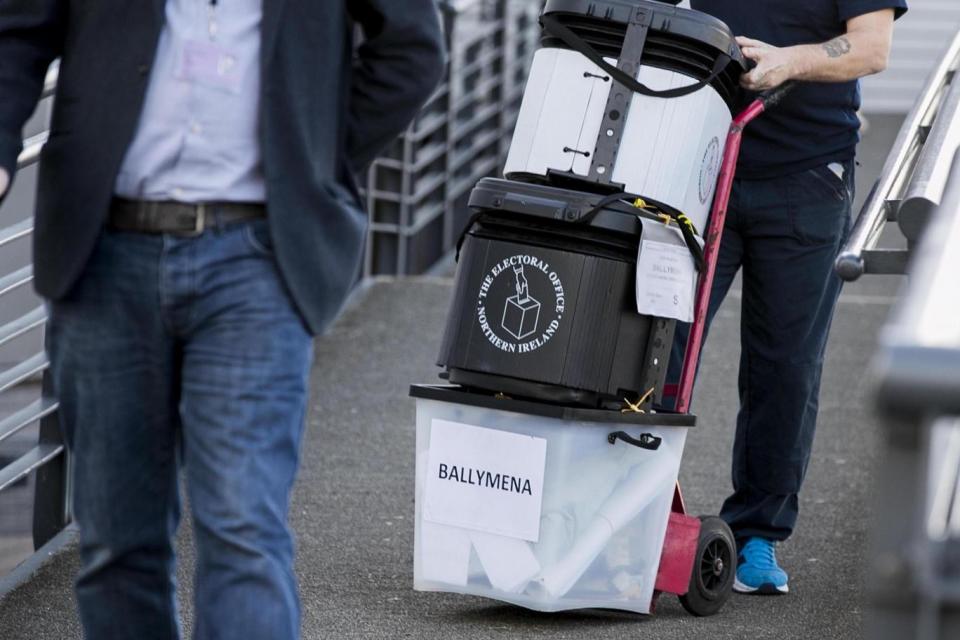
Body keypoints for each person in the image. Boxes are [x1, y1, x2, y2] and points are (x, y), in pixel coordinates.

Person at [0, 1, 445, 638]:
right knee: (115, 543)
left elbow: (411, 49)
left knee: (244, 533)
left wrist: (314, 158)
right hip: (104, 253)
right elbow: (18, 30)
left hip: (256, 256)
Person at [668, 0, 907, 595]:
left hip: (807, 177)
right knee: (659, 346)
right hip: (695, 166)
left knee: (785, 368)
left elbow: (871, 47)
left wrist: (790, 62)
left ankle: (758, 534)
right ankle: (632, 516)